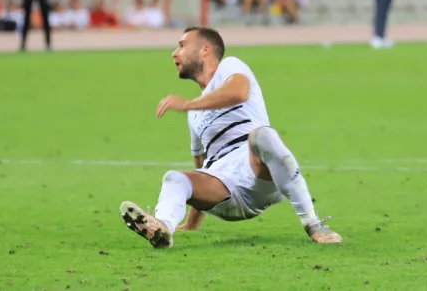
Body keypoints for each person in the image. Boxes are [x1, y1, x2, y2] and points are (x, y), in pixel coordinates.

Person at [118, 27, 342, 249]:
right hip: (224, 189)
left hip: (258, 174)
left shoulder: (230, 67)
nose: (174, 53)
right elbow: (202, 167)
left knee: (262, 136)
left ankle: (313, 224)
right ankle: (162, 228)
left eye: (182, 45)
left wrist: (186, 104)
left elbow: (238, 93)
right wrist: (193, 223)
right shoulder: (194, 115)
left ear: (205, 49)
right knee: (174, 178)